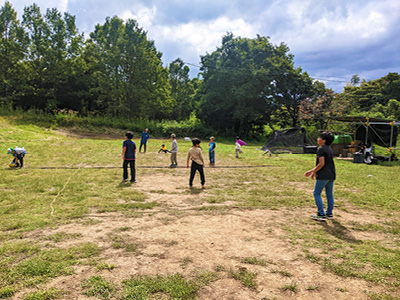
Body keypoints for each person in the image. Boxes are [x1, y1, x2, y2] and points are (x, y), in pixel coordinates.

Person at [304, 131, 336, 221]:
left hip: (323, 175)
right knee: (329, 194)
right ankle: (329, 213)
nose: (318, 139)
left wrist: (312, 171)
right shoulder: (329, 149)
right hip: (331, 174)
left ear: (324, 140)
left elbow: (321, 164)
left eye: (320, 138)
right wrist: (313, 171)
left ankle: (321, 214)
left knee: (316, 193)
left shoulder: (321, 149)